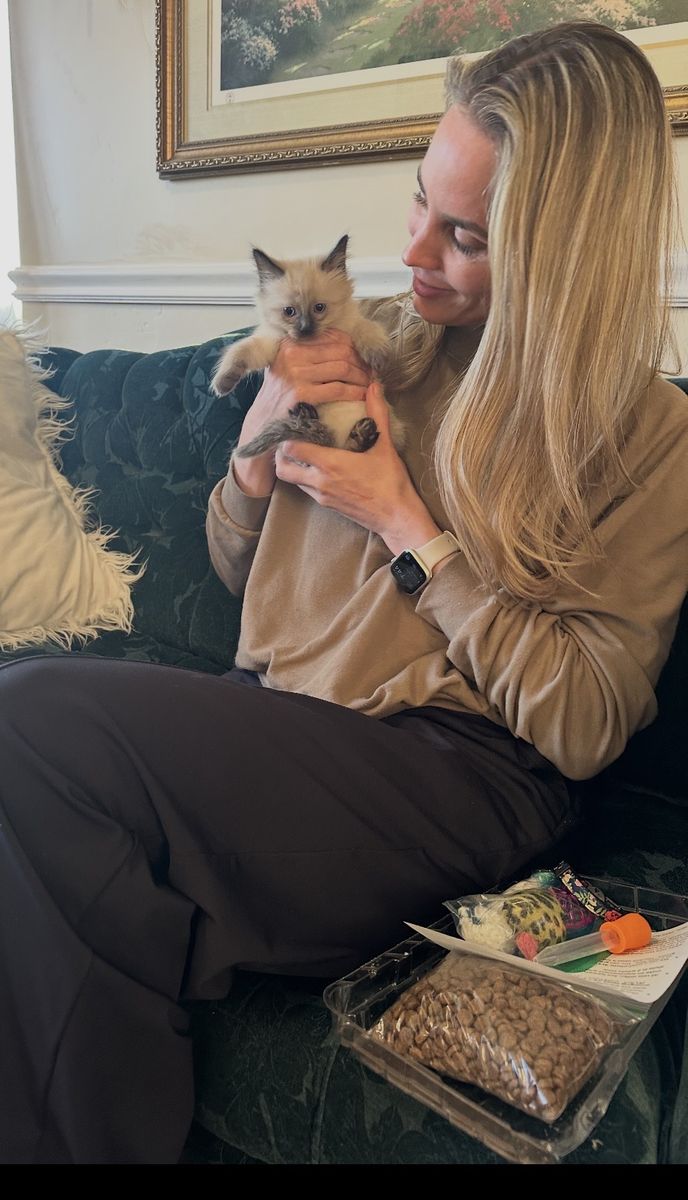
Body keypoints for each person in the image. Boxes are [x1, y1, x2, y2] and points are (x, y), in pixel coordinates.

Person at [1, 20, 686, 1165]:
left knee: (28, 725)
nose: (413, 250)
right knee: (49, 803)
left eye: (464, 235)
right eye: (419, 199)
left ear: (560, 252)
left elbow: (582, 725)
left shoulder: (642, 434)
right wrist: (253, 460)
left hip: (461, 780)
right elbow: (240, 574)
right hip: (284, 725)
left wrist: (406, 524)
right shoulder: (373, 349)